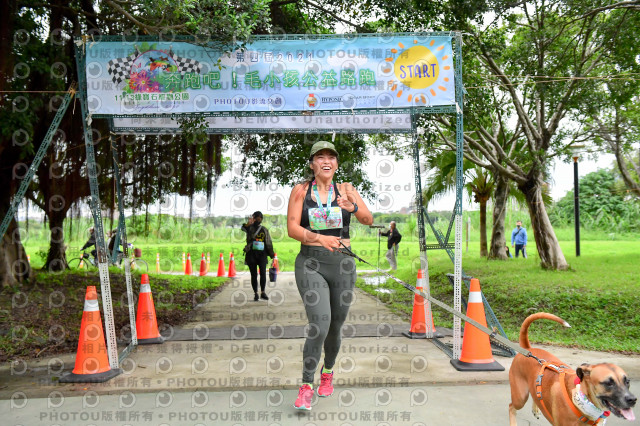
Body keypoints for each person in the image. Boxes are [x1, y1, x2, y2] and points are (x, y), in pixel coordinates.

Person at [287, 141, 373, 410]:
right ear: (312, 163)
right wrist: (319, 239)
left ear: (336, 164)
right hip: (310, 264)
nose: (326, 161)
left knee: (335, 326)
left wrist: (352, 207)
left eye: (331, 157)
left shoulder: (347, 189)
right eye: (320, 157)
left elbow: (368, 219)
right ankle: (305, 386)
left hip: (343, 265)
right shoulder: (301, 190)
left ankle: (328, 371)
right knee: (320, 324)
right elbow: (292, 228)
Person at [241, 211, 275, 301]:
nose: (259, 220)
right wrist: (249, 223)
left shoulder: (264, 229)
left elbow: (268, 243)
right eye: (257, 218)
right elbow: (243, 228)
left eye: (260, 218)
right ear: (254, 218)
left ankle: (263, 292)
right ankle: (255, 293)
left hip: (262, 254)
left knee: (263, 273)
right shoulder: (249, 228)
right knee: (254, 275)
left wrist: (272, 255)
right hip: (251, 254)